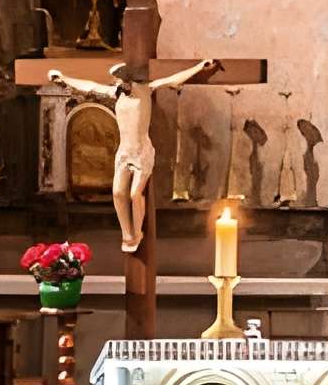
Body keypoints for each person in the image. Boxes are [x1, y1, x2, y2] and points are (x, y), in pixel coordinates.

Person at [48, 56, 218, 253]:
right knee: (118, 193)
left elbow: (174, 79)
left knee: (134, 193)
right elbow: (90, 87)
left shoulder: (146, 90)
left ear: (130, 79)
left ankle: (137, 232)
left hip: (141, 151)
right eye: (118, 80)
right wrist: (64, 78)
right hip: (124, 152)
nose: (120, 83)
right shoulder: (117, 93)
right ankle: (127, 233)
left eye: (123, 79)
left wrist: (199, 67)